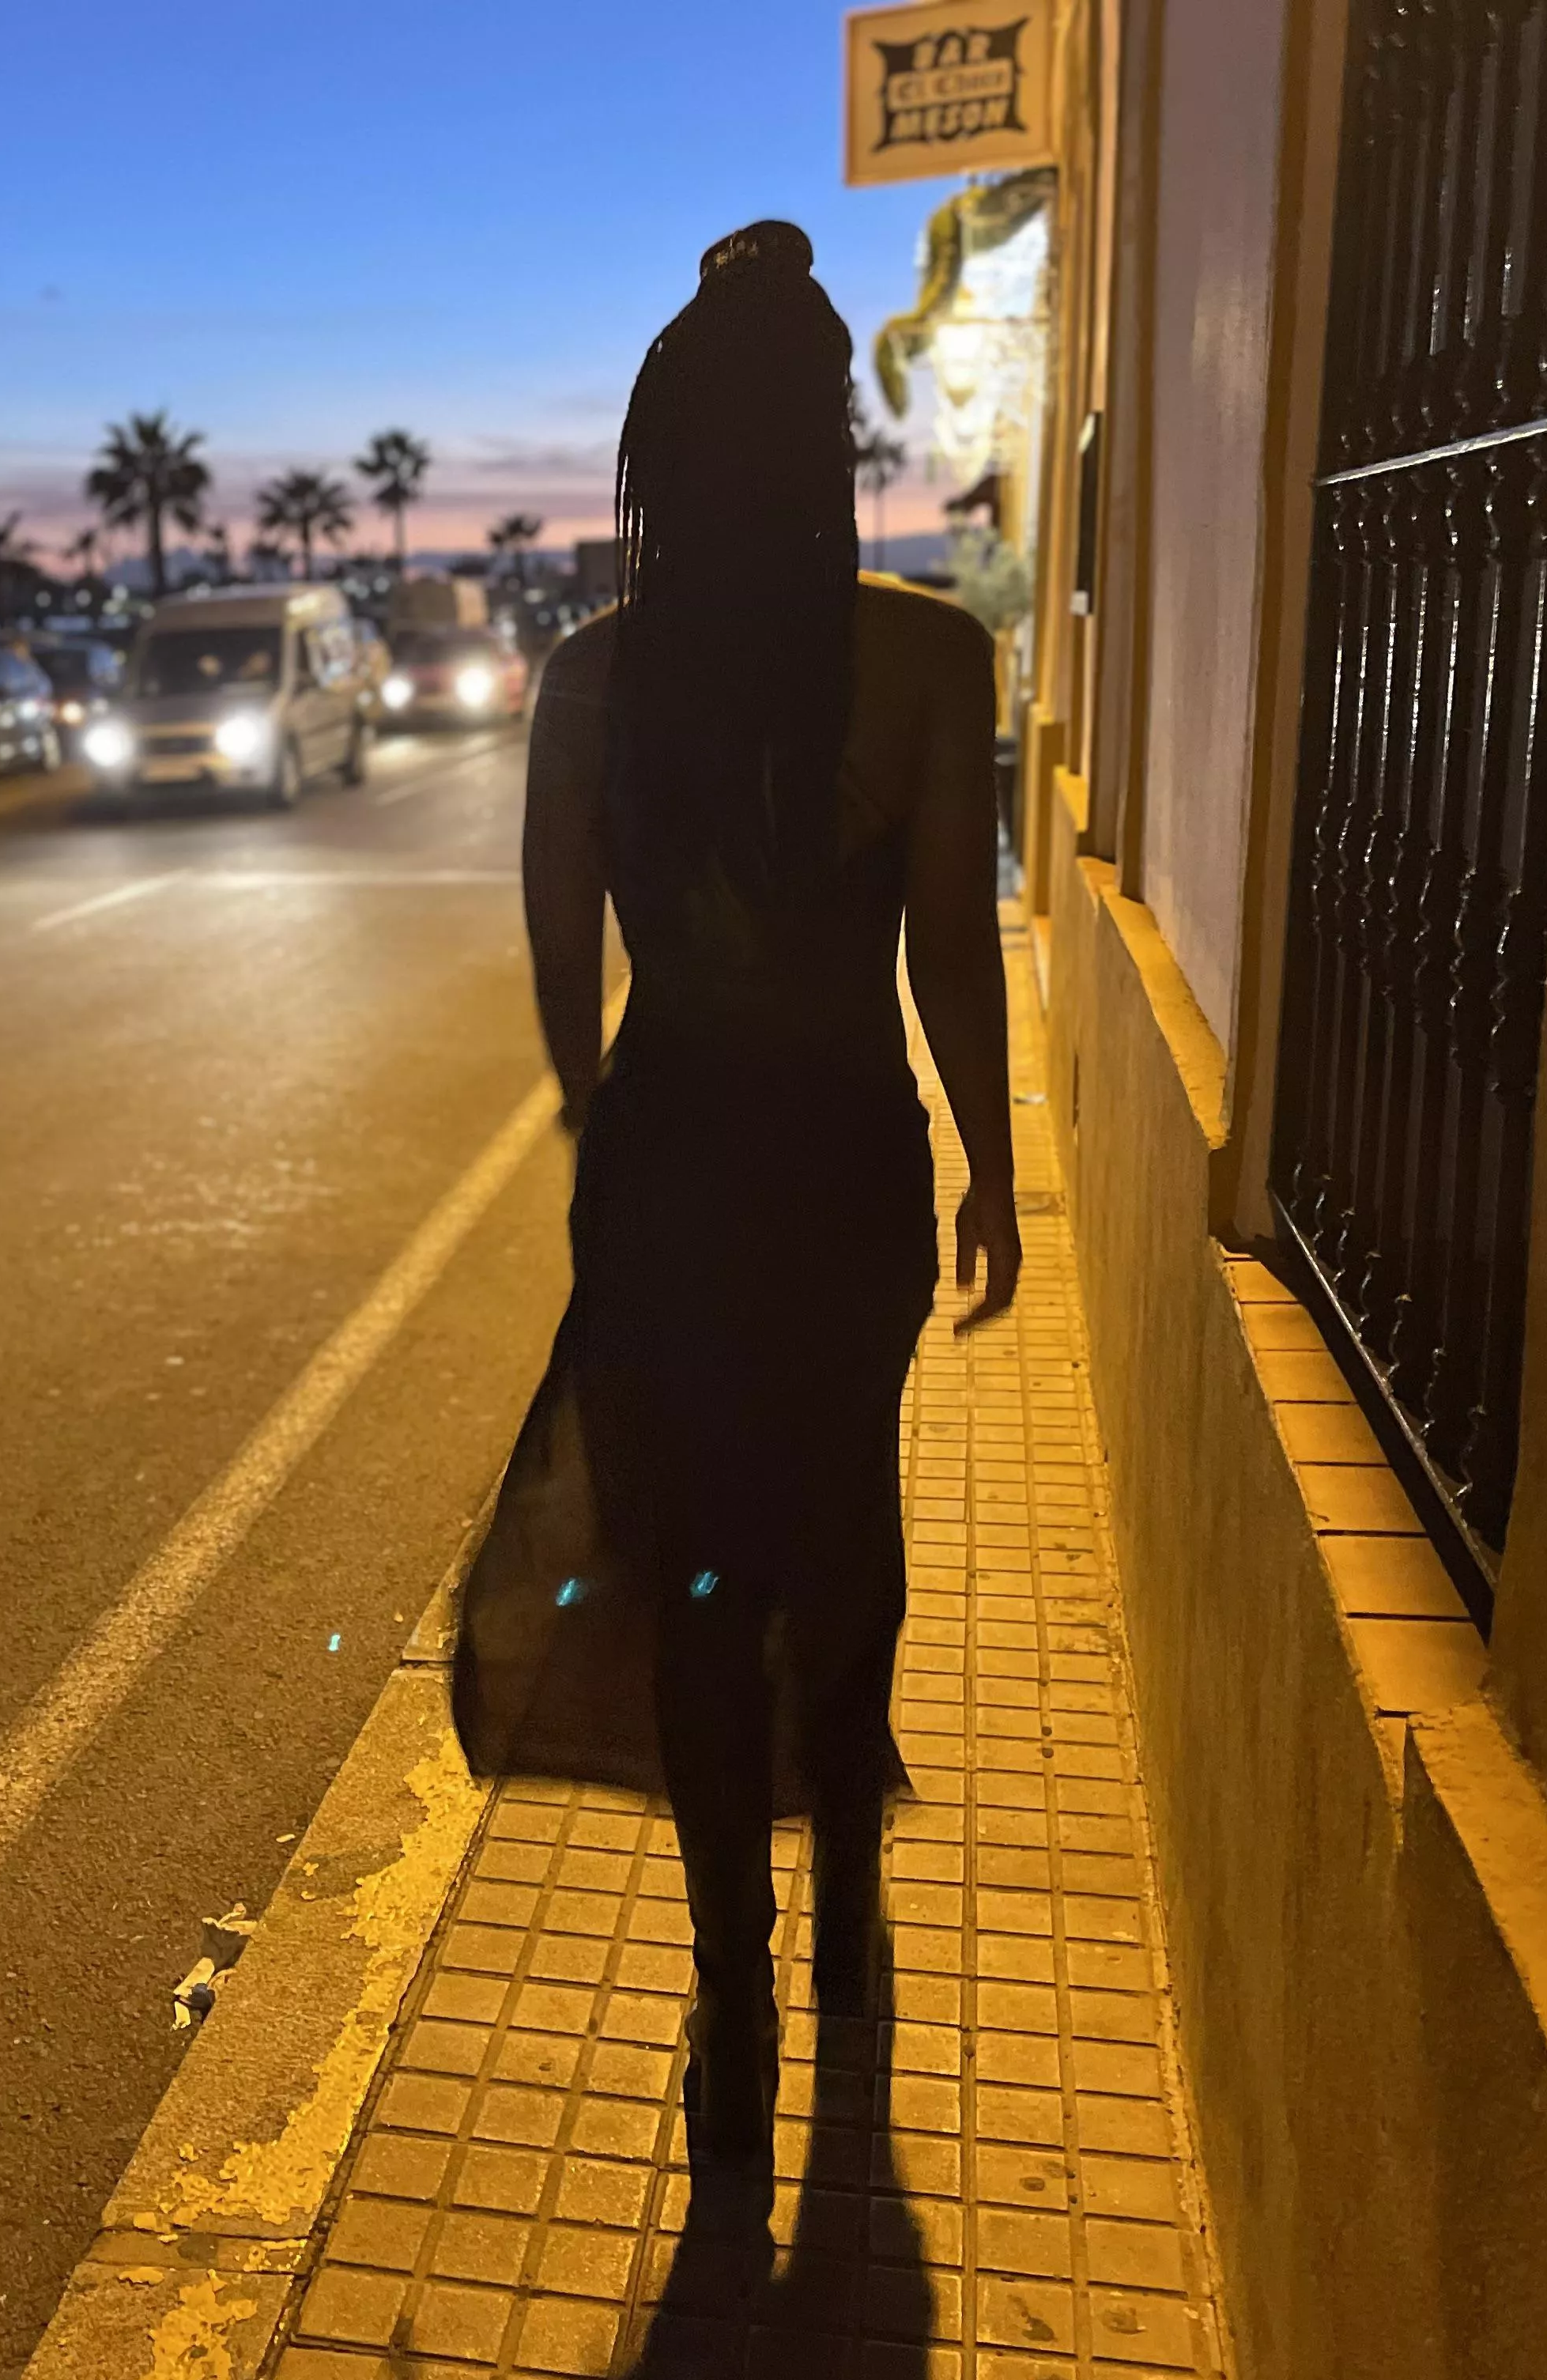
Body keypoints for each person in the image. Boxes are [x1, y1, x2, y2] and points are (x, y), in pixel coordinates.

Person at [515, 219, 1020, 2183]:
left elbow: (565, 946)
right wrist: (991, 1161)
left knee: (700, 1573)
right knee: (844, 1524)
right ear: (823, 443)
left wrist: (590, 1114)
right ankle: (851, 1923)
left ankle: (727, 1987)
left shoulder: (592, 679)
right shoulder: (925, 657)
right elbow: (950, 957)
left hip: (673, 1166)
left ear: (660, 454)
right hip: (841, 1165)